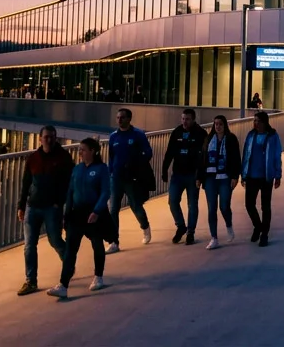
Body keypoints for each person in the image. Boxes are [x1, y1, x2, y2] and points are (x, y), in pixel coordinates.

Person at [48, 138, 111, 298]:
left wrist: (96, 211)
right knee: (70, 249)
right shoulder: (77, 169)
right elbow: (70, 192)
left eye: (83, 149)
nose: (80, 152)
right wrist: (66, 213)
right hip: (77, 213)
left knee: (97, 244)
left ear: (93, 151)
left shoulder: (101, 169)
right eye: (80, 149)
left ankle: (98, 276)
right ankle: (63, 284)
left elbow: (105, 192)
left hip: (94, 213)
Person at [17, 125, 73, 295]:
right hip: (32, 207)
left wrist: (60, 203)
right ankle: (30, 281)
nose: (49, 140)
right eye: (46, 137)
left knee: (55, 240)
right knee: (29, 246)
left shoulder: (63, 158)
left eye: (52, 137)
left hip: (52, 208)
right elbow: (26, 182)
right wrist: (21, 206)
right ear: (40, 138)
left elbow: (70, 183)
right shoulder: (33, 158)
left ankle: (68, 265)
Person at [107, 108, 153, 252]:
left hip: (132, 178)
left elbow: (148, 153)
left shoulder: (138, 135)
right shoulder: (113, 136)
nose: (119, 120)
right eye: (118, 117)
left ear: (129, 119)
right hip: (116, 178)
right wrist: (110, 173)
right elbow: (111, 157)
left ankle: (145, 226)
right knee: (113, 209)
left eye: (122, 117)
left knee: (136, 206)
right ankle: (114, 241)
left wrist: (136, 164)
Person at [163, 108, 207, 246]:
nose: (184, 122)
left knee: (192, 204)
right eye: (183, 119)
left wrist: (201, 175)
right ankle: (181, 226)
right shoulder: (177, 132)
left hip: (193, 175)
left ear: (193, 119)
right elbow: (170, 151)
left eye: (187, 119)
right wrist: (164, 169)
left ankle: (190, 232)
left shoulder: (201, 133)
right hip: (178, 174)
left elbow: (204, 156)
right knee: (172, 201)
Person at [199, 115, 241, 250]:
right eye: (216, 124)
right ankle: (214, 238)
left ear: (225, 125)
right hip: (210, 177)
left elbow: (235, 158)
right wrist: (199, 177)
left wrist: (235, 176)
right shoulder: (208, 139)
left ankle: (229, 225)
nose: (218, 126)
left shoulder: (231, 139)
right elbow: (202, 158)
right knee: (212, 208)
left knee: (224, 206)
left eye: (220, 124)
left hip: (225, 177)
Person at [241, 110, 282, 247]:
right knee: (249, 204)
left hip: (266, 177)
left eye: (258, 121)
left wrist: (277, 174)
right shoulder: (251, 135)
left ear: (265, 122)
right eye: (254, 121)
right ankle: (257, 226)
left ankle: (264, 234)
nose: (255, 123)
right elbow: (245, 155)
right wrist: (243, 174)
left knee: (266, 207)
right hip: (252, 176)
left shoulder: (272, 136)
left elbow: (277, 156)